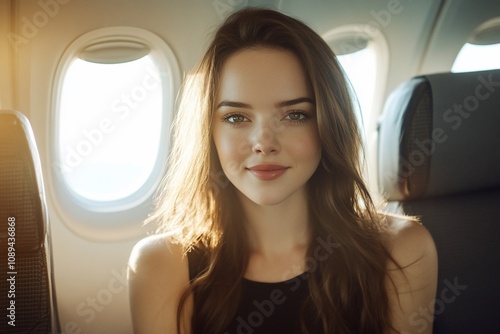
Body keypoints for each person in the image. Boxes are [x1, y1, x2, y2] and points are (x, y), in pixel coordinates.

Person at [127, 7, 438, 334]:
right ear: (209, 133)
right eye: (236, 117)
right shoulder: (160, 266)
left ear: (329, 125)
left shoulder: (402, 250)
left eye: (294, 115)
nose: (263, 143)